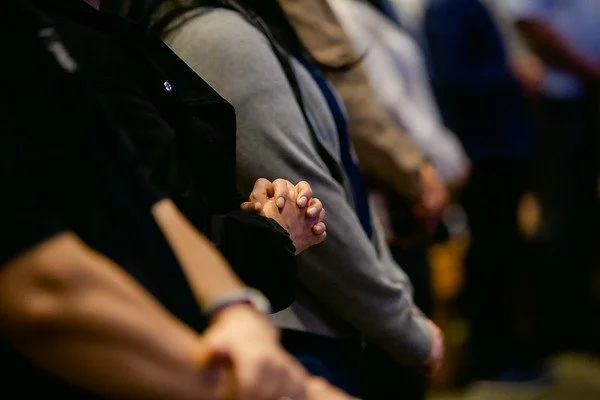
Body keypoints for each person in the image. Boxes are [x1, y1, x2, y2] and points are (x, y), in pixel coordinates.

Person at [0, 1, 351, 398]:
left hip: (200, 347)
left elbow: (149, 203)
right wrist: (266, 384)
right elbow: (45, 288)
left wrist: (234, 307)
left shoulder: (51, 28)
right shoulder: (80, 40)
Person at [129, 0, 445, 396]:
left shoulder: (248, 21)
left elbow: (340, 171)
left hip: (328, 325)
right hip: (299, 336)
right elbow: (316, 201)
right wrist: (404, 325)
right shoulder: (214, 33)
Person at [36, 0, 329, 314]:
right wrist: (273, 231)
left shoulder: (102, 31)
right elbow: (159, 242)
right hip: (184, 320)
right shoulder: (72, 48)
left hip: (226, 309)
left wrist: (255, 215)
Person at [323, 1, 469, 397]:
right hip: (388, 192)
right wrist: (423, 168)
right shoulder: (340, 11)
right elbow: (373, 109)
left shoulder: (380, 8)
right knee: (398, 349)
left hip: (410, 179)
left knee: (415, 322)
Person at [424, 0, 536, 382]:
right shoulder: (447, 8)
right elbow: (451, 77)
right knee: (490, 255)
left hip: (499, 148)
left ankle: (499, 353)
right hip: (484, 151)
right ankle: (489, 359)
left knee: (500, 252)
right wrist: (511, 74)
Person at [509, 0, 600, 359]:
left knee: (583, 217)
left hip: (585, 99)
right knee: (559, 219)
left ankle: (579, 324)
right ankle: (551, 331)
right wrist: (588, 69)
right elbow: (529, 21)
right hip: (560, 102)